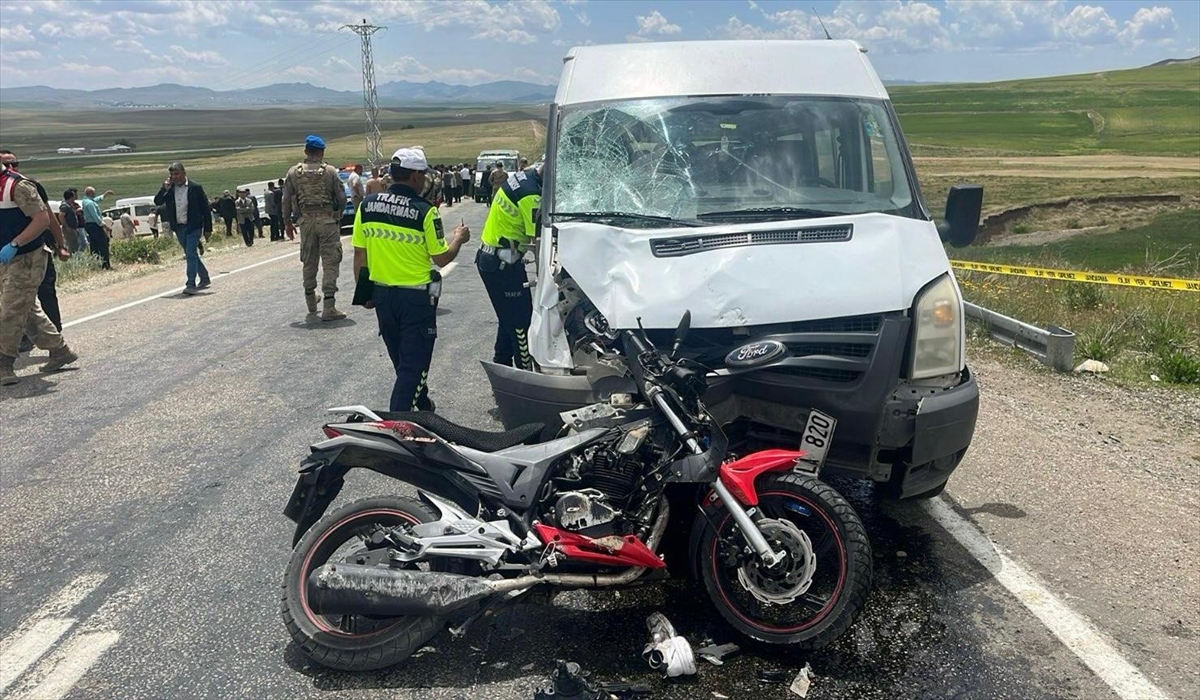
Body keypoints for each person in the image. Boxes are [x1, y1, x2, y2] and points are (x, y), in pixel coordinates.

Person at [353, 147, 469, 411]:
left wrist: (365, 294)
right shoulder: (425, 211)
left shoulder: (368, 206)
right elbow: (441, 259)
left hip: (382, 296)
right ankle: (397, 426)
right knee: (414, 366)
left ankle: (424, 407)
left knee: (402, 363)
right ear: (416, 177)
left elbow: (360, 255)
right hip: (416, 298)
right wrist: (459, 239)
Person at [0, 160, 79, 385]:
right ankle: (60, 350)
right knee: (26, 309)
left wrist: (15, 244)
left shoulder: (17, 186)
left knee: (10, 310)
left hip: (26, 257)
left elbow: (43, 219)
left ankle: (4, 362)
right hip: (5, 259)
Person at [476, 164, 541, 370]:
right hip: (503, 263)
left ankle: (501, 364)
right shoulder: (531, 195)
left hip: (492, 257)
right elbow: (539, 240)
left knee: (508, 317)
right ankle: (525, 373)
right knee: (521, 322)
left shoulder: (524, 176)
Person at [0, 151, 70, 338]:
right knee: (18, 300)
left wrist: (61, 245)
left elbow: (47, 219)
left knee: (45, 291)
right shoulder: (3, 189)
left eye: (14, 163)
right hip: (10, 257)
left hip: (36, 249)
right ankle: (31, 339)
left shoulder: (27, 186)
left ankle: (55, 334)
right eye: (6, 164)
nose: (11, 168)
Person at [282, 134, 347, 320]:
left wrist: (287, 222)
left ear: (305, 151)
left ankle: (311, 302)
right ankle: (329, 307)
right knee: (330, 262)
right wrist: (339, 213)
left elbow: (285, 199)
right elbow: (341, 197)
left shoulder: (294, 172)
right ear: (322, 152)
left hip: (306, 221)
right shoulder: (330, 172)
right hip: (327, 221)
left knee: (309, 261)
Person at [154, 161, 213, 295]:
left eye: (177, 174)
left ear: (184, 173)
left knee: (190, 253)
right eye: (172, 174)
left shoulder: (195, 188)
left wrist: (208, 229)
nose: (175, 177)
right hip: (179, 227)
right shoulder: (170, 190)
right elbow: (157, 202)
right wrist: (164, 188)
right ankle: (204, 277)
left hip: (194, 226)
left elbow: (205, 209)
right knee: (190, 253)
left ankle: (190, 284)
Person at [80, 185, 114, 269]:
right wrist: (104, 225)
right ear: (90, 193)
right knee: (103, 244)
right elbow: (95, 216)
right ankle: (105, 264)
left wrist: (105, 195)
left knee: (94, 245)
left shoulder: (86, 201)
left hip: (89, 225)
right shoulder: (90, 204)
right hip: (94, 225)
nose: (95, 194)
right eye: (94, 192)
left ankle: (95, 263)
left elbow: (96, 200)